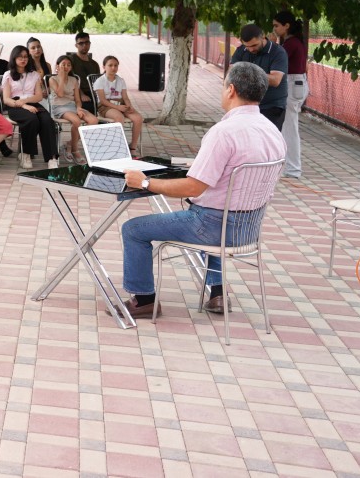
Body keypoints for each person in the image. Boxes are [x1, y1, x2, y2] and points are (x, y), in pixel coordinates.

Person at [118, 63, 286, 319]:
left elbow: (193, 186)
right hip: (247, 228)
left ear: (231, 90)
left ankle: (144, 300)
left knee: (133, 229)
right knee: (211, 209)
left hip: (211, 227)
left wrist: (145, 183)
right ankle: (217, 293)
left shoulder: (223, 132)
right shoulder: (273, 131)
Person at [2, 45, 58, 170]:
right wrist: (23, 105)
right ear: (14, 58)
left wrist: (26, 102)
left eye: (26, 57)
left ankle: (51, 157)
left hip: (33, 102)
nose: (23, 59)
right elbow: (6, 99)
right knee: (32, 119)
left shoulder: (34, 75)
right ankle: (26, 154)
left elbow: (38, 96)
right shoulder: (8, 75)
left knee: (47, 120)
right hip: (14, 105)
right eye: (20, 57)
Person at [229, 24, 289, 131]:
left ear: (263, 37)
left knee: (267, 141)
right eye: (247, 46)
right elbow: (231, 75)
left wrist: (247, 73)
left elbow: (275, 80)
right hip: (246, 105)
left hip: (272, 106)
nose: (251, 50)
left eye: (254, 45)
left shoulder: (278, 52)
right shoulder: (241, 50)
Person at [272, 11, 308, 178]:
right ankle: (288, 166)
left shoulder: (291, 43)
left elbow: (278, 60)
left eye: (276, 26)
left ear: (286, 26)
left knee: (289, 128)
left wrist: (271, 46)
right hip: (295, 83)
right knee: (286, 127)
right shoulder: (291, 42)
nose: (274, 29)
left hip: (294, 84)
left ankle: (293, 169)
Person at [49, 54, 99, 162]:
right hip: (59, 106)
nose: (66, 67)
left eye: (68, 65)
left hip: (72, 106)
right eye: (63, 65)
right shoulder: (52, 79)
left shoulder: (74, 80)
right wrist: (62, 78)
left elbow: (77, 99)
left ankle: (69, 144)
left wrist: (79, 108)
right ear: (57, 66)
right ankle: (75, 150)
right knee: (77, 121)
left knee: (94, 120)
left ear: (71, 67)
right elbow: (60, 94)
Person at [94, 56, 144, 155]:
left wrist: (129, 106)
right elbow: (103, 100)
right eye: (110, 65)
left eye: (115, 65)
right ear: (104, 67)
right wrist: (118, 107)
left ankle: (132, 147)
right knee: (119, 117)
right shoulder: (100, 81)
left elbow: (125, 97)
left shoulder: (121, 80)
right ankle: (116, 147)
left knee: (138, 118)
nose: (113, 68)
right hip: (106, 105)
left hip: (120, 104)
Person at [68, 32, 101, 115]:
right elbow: (70, 79)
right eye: (81, 43)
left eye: (87, 43)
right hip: (75, 93)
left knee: (106, 105)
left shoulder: (94, 64)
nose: (84, 45)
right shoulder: (71, 60)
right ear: (76, 45)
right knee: (90, 106)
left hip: (92, 93)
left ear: (90, 44)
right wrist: (81, 94)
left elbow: (97, 83)